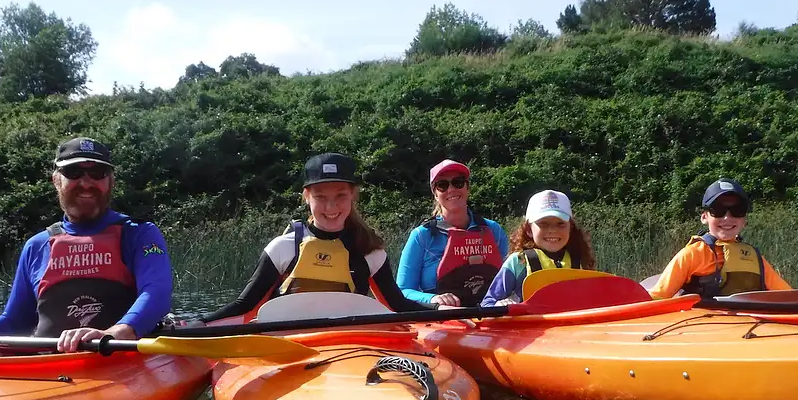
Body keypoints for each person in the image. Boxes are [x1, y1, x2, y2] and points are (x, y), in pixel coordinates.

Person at [0, 137, 173, 356]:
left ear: (111, 181)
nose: (86, 182)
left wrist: (115, 333)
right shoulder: (37, 245)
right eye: (74, 172)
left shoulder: (140, 234)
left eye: (98, 172)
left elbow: (156, 294)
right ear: (56, 180)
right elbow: (16, 322)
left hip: (115, 355)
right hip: (48, 361)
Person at [200, 152, 439, 323]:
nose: (331, 207)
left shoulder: (370, 251)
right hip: (289, 349)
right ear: (306, 196)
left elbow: (398, 306)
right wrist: (199, 322)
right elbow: (246, 306)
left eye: (341, 196)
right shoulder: (284, 248)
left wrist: (439, 307)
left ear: (353, 196)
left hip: (350, 348)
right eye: (321, 197)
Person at [648, 178, 792, 300]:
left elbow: (789, 297)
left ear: (744, 219)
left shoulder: (755, 257)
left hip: (748, 327)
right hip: (703, 327)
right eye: (718, 210)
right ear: (705, 217)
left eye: (737, 210)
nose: (727, 218)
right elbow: (659, 296)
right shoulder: (692, 254)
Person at [396, 160, 508, 307]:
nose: (451, 189)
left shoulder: (493, 230)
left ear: (468, 188)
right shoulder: (421, 236)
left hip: (489, 315)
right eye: (442, 185)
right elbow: (403, 290)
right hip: (444, 319)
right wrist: (432, 299)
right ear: (435, 194)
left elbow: (509, 280)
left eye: (458, 182)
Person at [480, 190, 596, 307]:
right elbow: (487, 303)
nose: (552, 230)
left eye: (560, 224)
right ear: (529, 230)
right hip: (529, 324)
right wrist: (499, 305)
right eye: (543, 224)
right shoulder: (519, 261)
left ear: (570, 228)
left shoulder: (580, 262)